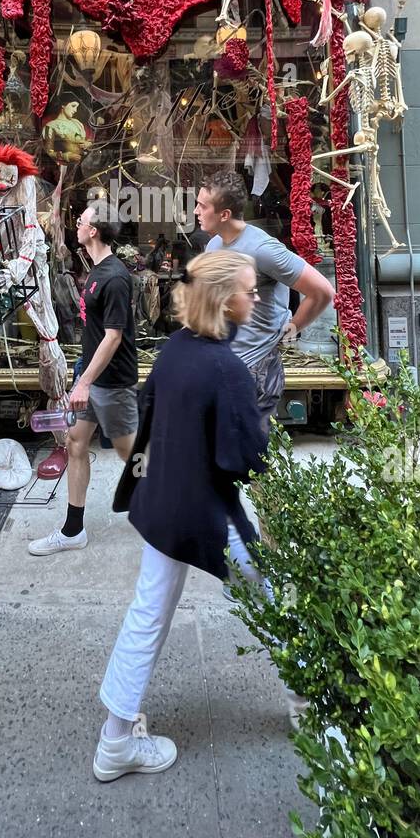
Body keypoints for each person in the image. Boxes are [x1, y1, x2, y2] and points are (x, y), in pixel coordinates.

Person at [92, 251, 268, 780]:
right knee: (278, 602)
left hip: (164, 506)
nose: (256, 298)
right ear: (223, 299)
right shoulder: (226, 368)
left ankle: (116, 739)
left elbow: (151, 424)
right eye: (250, 290)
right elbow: (245, 461)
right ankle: (326, 708)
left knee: (148, 613)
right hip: (206, 516)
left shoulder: (174, 349)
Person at [29, 201, 138, 556]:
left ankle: (174, 509)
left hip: (112, 383)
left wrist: (85, 382)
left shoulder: (116, 277)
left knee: (131, 455)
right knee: (76, 443)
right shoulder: (95, 271)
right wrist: (83, 375)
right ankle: (73, 529)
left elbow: (113, 336)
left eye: (81, 220)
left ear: (94, 230)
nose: (76, 224)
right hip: (91, 378)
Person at [196, 170, 335, 429]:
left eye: (202, 206)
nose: (196, 211)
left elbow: (322, 291)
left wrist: (293, 327)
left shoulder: (263, 249)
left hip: (255, 369)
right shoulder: (213, 245)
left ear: (224, 215)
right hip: (222, 364)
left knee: (247, 457)